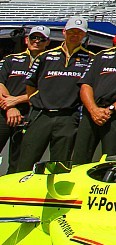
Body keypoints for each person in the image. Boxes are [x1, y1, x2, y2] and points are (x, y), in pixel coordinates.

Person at [17, 17, 94, 171]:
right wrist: (34, 101)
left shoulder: (91, 58)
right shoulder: (44, 56)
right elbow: (30, 84)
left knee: (59, 166)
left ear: (84, 35)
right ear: (64, 32)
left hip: (68, 117)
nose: (75, 35)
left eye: (79, 33)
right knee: (26, 161)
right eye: (72, 31)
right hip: (41, 115)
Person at [72, 17, 116, 164]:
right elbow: (85, 85)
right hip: (91, 114)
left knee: (112, 162)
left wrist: (110, 109)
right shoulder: (100, 56)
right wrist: (93, 110)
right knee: (79, 160)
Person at [0, 25, 50, 173]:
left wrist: (16, 101)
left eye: (42, 39)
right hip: (4, 112)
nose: (37, 41)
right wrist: (10, 107)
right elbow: (0, 83)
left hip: (31, 114)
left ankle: (10, 192)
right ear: (26, 39)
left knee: (19, 161)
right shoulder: (11, 59)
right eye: (34, 37)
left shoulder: (51, 62)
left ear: (47, 42)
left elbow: (47, 91)